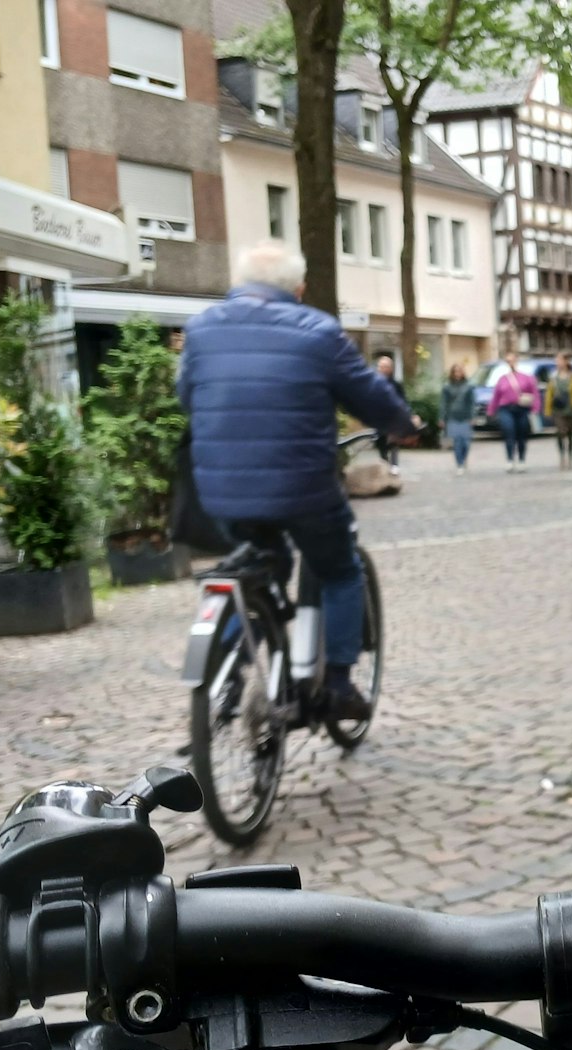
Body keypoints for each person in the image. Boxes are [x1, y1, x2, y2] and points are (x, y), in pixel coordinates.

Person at [177, 241, 419, 722]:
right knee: (339, 568)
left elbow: (187, 396)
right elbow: (369, 395)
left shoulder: (201, 329)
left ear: (240, 282)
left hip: (222, 493)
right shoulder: (317, 330)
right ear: (300, 288)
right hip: (305, 489)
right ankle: (338, 685)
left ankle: (227, 671)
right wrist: (404, 424)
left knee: (257, 565)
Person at [487, 349, 538, 473]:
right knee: (509, 432)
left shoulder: (526, 377)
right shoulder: (502, 379)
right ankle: (510, 459)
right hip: (506, 409)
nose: (510, 363)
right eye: (508, 361)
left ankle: (521, 460)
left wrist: (535, 408)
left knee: (521, 435)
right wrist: (491, 411)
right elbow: (496, 396)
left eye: (512, 360)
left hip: (522, 409)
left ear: (517, 360)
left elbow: (534, 393)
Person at [546, 353, 572, 469]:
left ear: (566, 362)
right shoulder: (553, 376)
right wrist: (547, 409)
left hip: (571, 408)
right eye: (556, 361)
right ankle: (562, 457)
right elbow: (549, 393)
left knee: (570, 434)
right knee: (560, 432)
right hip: (558, 409)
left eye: (559, 360)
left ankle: (570, 458)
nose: (557, 363)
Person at [440, 362, 476, 475]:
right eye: (455, 371)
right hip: (452, 417)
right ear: (452, 373)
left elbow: (472, 403)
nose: (457, 373)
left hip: (465, 417)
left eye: (460, 371)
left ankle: (464, 459)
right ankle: (459, 464)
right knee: (457, 442)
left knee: (466, 442)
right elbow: (443, 403)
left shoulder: (469, 386)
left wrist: (472, 416)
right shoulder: (447, 387)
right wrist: (441, 417)